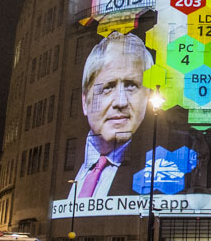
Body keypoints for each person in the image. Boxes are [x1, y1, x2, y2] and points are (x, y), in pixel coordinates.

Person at [67, 31, 156, 200]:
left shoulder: (160, 169)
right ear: (85, 101)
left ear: (147, 96)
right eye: (108, 87)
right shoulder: (63, 171)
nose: (121, 102)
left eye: (131, 85)